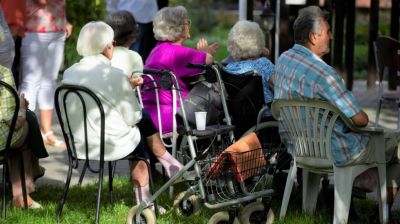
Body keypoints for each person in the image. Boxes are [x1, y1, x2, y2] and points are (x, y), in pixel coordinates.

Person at [274, 5, 400, 220]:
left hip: (300, 147)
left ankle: (349, 197)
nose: (331, 36)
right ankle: (383, 212)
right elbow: (359, 119)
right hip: (334, 152)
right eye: (328, 31)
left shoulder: (283, 60)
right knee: (394, 142)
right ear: (315, 36)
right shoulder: (325, 74)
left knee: (374, 143)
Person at [62, 21, 183, 210]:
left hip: (79, 143)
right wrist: (126, 89)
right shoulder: (114, 74)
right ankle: (146, 201)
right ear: (107, 46)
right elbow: (132, 117)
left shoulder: (69, 73)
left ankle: (167, 161)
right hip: (109, 143)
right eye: (112, 43)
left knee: (139, 121)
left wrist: (125, 88)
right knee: (140, 124)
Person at [142, 5, 218, 133]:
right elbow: (209, 61)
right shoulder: (180, 53)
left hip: (150, 114)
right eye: (187, 22)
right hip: (175, 116)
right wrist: (205, 52)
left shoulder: (157, 49)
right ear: (178, 28)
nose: (189, 25)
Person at [0, 24, 48, 208]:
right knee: (24, 128)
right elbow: (14, 122)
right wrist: (20, 107)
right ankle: (21, 197)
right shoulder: (3, 74)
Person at [19, 0, 73, 148]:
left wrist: (64, 20)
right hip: (34, 31)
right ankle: (25, 133)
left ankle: (47, 132)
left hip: (57, 29)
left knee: (49, 82)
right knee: (31, 82)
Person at [224, 20, 275, 117]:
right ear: (259, 41)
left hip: (238, 121)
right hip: (265, 120)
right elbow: (281, 89)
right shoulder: (263, 65)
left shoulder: (229, 68)